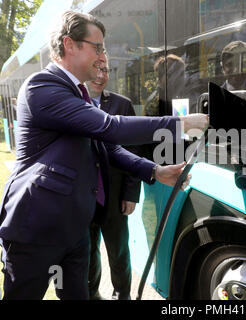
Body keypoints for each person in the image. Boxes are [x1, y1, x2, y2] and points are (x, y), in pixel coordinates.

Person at [0, 10, 208, 300]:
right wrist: (181, 122)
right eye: (97, 47)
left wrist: (155, 171)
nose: (102, 56)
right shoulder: (42, 87)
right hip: (38, 226)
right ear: (69, 45)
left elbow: (106, 148)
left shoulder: (74, 94)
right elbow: (109, 128)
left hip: (75, 226)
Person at [86, 56, 138, 300]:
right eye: (96, 69)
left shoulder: (122, 105)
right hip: (82, 197)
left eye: (105, 70)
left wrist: (130, 194)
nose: (100, 75)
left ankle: (122, 295)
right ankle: (91, 293)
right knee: (87, 252)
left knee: (119, 253)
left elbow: (133, 151)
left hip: (115, 197)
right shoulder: (70, 103)